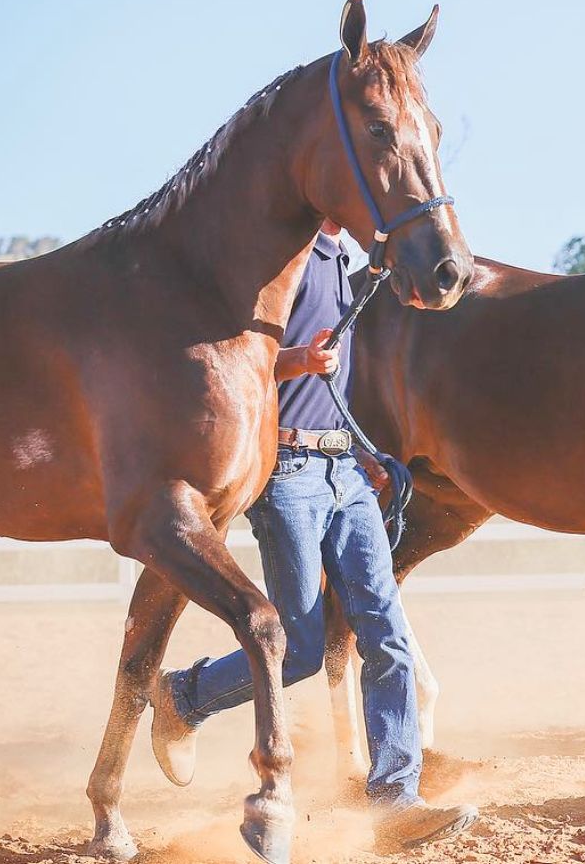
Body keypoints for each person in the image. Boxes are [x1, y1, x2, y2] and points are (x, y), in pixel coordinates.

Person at [149, 222, 479, 848]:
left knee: (387, 636)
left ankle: (395, 799)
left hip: (345, 468)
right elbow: (226, 366)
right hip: (287, 472)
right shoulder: (284, 262)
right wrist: (295, 361)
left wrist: (365, 450)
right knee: (299, 650)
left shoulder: (342, 265)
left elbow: (332, 391)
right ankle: (183, 696)